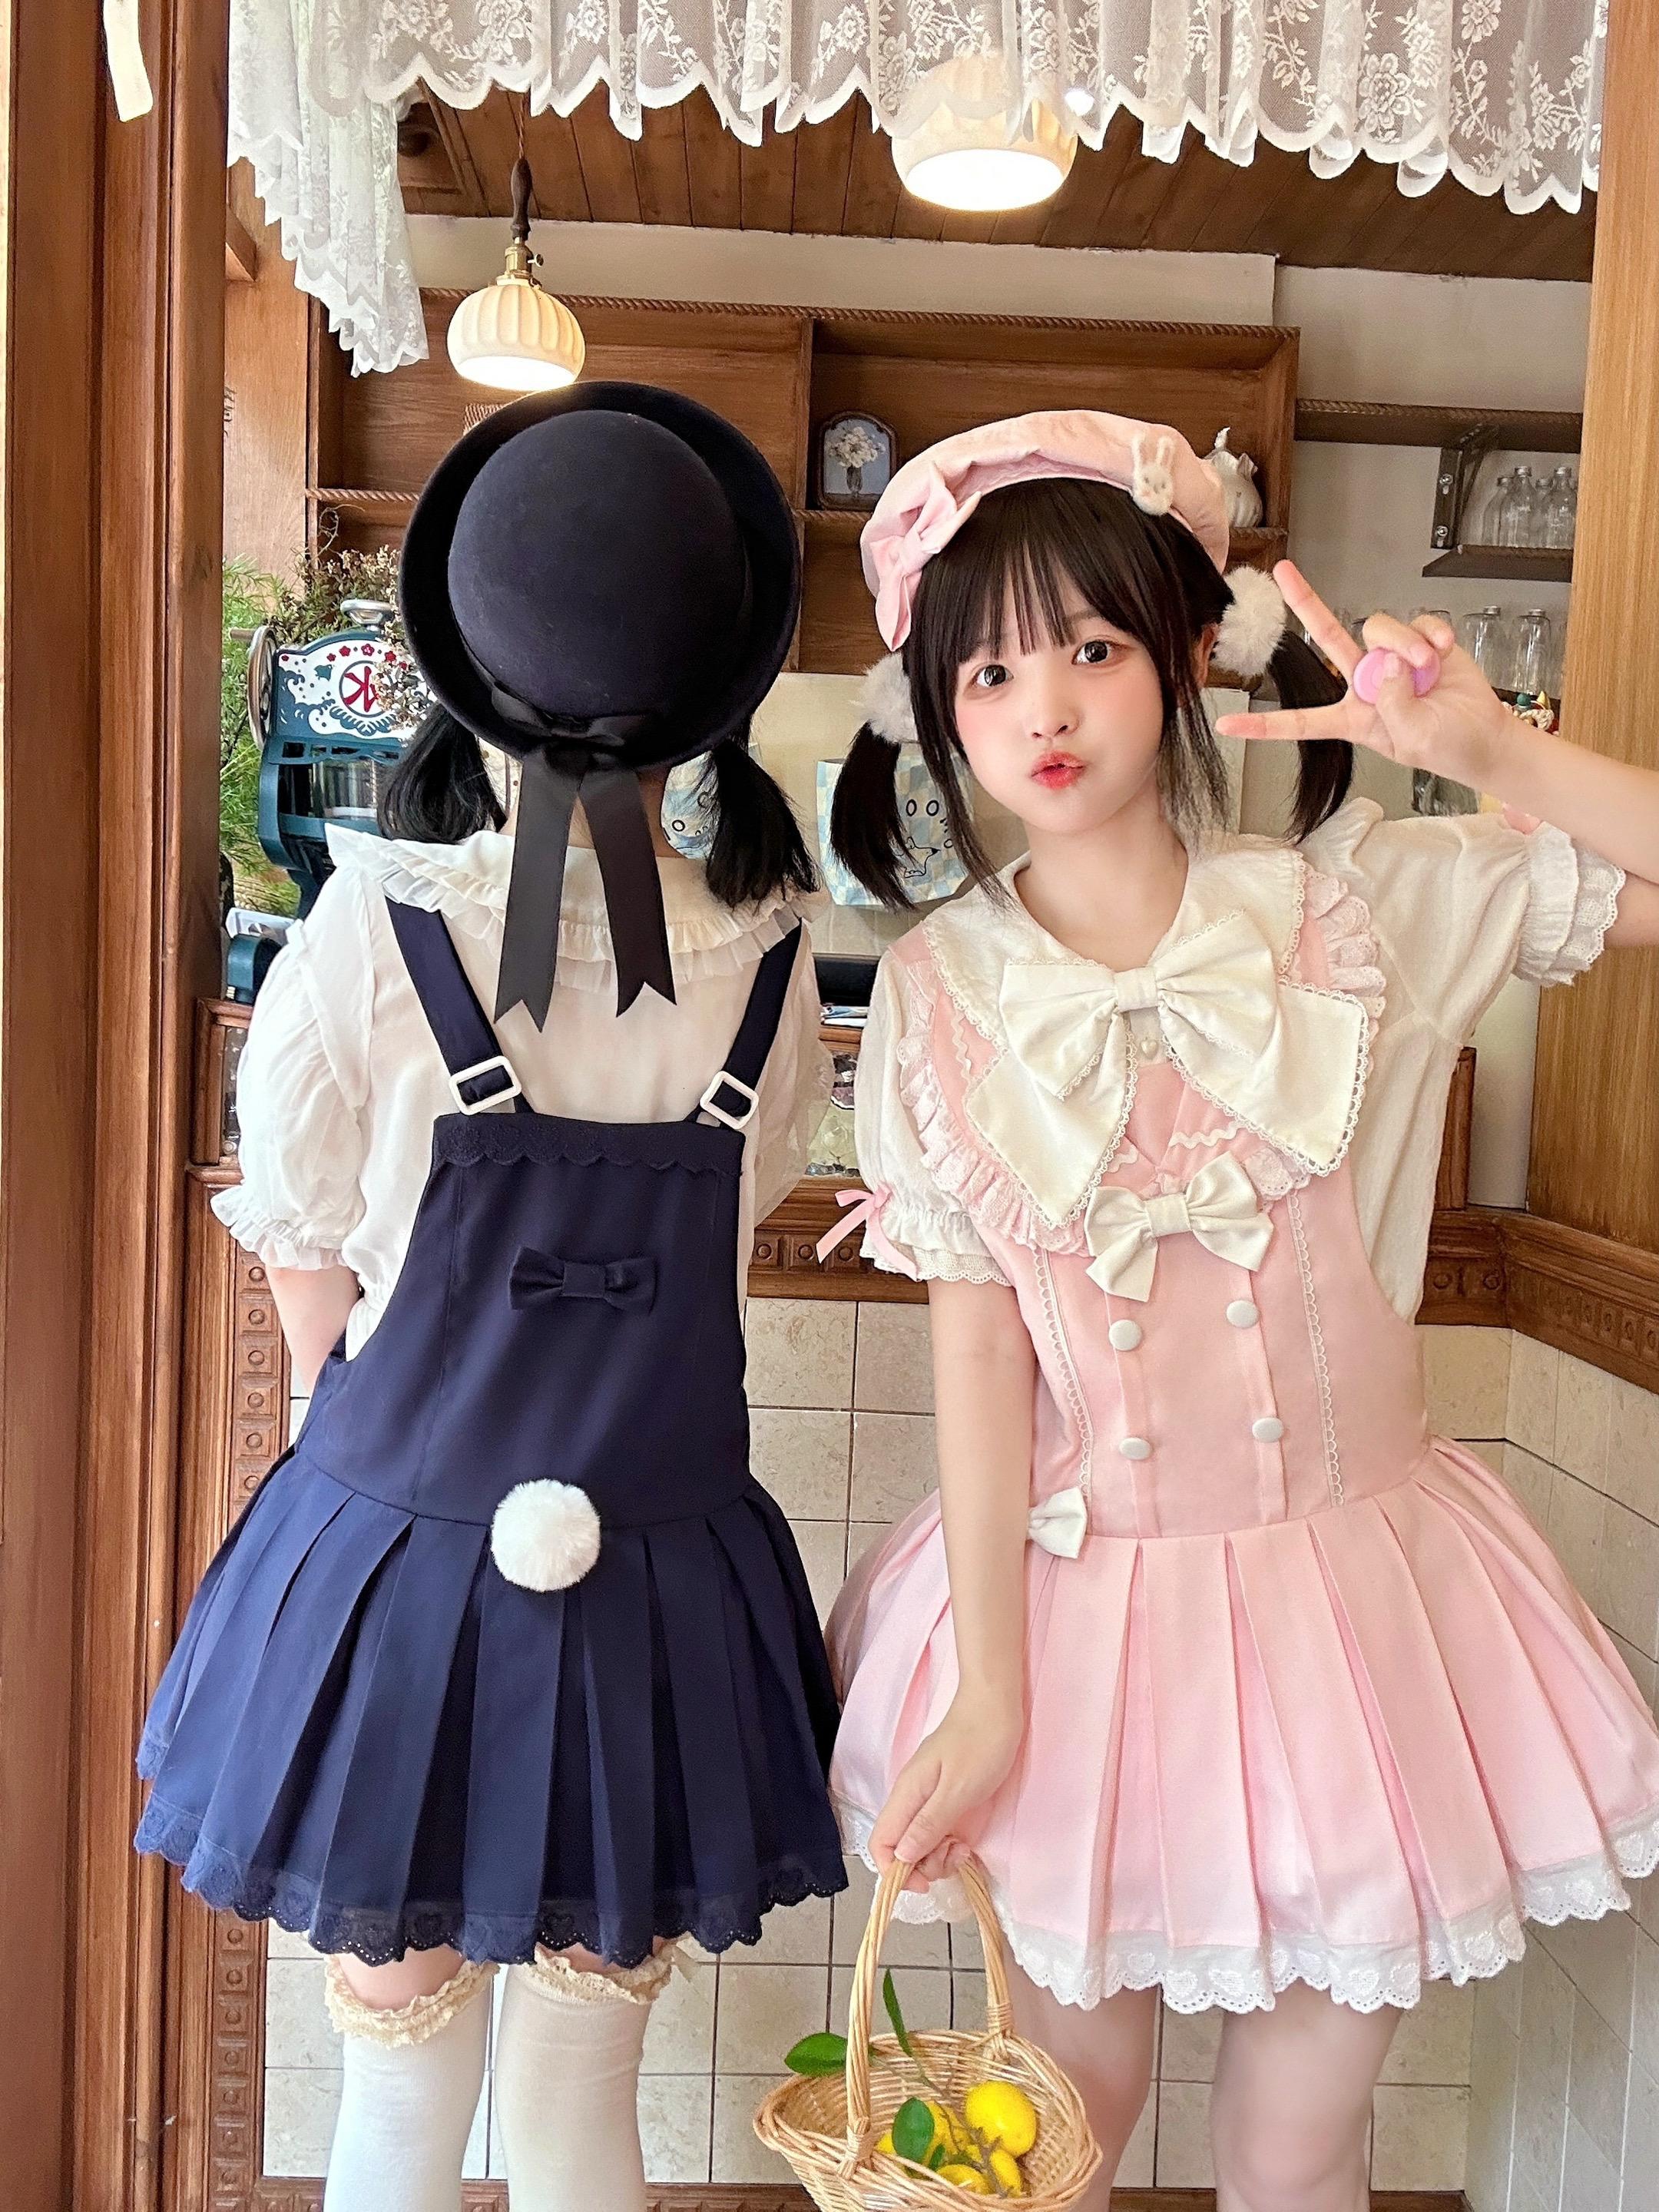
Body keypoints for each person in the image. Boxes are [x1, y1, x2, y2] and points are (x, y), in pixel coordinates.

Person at [822, 409, 1659, 2210]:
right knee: (1053, 2139)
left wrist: (1491, 748)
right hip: (1075, 1631)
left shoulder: (1363, 915)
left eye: (1091, 648)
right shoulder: (939, 993)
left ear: (1189, 655)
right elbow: (977, 1350)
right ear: (940, 714)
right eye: (987, 674)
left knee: (1298, 2155)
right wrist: (989, 1686)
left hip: (1357, 1627)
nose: (1043, 710)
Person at [136, 385, 847, 2212]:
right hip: (665, 1575)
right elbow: (747, 1218)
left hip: (395, 1555)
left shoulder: (371, 928)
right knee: (584, 2094)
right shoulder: (771, 964)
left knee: (396, 2090)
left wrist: (367, 1432)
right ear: (716, 678)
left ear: (470, 660)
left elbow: (299, 1225)